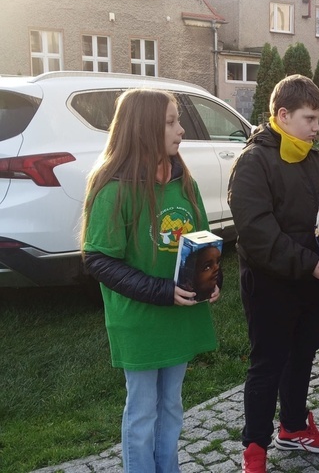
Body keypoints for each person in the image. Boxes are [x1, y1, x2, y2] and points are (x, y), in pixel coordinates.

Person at [81, 88, 220, 472]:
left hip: (179, 318)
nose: (181, 131)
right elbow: (99, 259)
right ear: (142, 129)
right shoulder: (114, 189)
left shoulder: (183, 181)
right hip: (140, 323)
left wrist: (211, 276)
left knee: (172, 406)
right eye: (171, 122)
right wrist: (160, 291)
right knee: (142, 412)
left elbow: (203, 240)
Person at [228, 75, 319, 473]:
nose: (316, 128)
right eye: (309, 119)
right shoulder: (254, 162)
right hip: (270, 285)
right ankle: (254, 448)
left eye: (318, 119)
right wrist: (309, 261)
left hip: (311, 284)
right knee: (268, 363)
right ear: (282, 115)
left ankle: (293, 426)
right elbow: (258, 233)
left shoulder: (315, 157)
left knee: (303, 356)